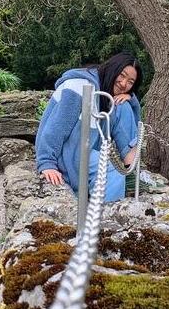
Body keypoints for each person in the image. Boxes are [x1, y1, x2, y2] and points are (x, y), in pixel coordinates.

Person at [35, 52, 142, 203]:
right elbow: (56, 126)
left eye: (130, 82)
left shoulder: (106, 93)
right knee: (112, 172)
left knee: (123, 105)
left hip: (88, 151)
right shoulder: (79, 85)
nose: (124, 84)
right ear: (112, 69)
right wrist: (46, 162)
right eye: (122, 75)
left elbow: (134, 119)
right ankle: (105, 219)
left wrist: (131, 99)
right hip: (69, 155)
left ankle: (131, 164)